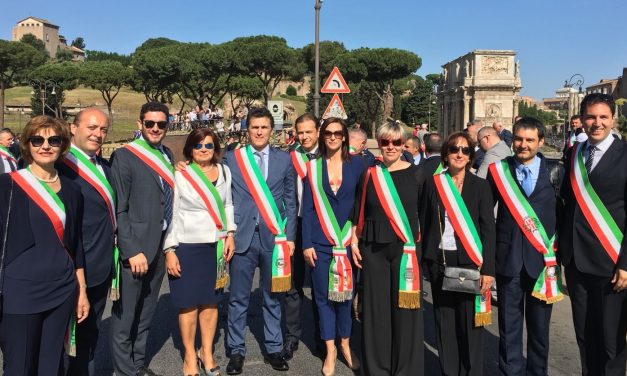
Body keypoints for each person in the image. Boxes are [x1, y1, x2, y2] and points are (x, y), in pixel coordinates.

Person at [0, 115, 89, 375]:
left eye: (54, 140)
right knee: (20, 367)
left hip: (62, 289)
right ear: (27, 145)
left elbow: (76, 243)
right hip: (19, 293)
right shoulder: (8, 185)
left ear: (63, 146)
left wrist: (81, 290)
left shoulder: (73, 190)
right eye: (38, 139)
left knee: (52, 366)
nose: (46, 145)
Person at [558, 93, 627, 376]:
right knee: (585, 338)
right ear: (582, 119)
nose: (596, 123)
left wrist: (625, 263)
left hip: (612, 262)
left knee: (611, 341)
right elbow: (566, 203)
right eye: (591, 117)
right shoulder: (575, 153)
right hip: (576, 261)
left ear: (612, 119)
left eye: (603, 117)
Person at [224, 107, 297, 374]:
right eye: (254, 127)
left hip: (274, 238)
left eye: (264, 127)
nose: (259, 132)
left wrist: (290, 239)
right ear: (247, 128)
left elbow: (290, 199)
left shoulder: (284, 160)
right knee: (238, 298)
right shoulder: (232, 158)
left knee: (273, 297)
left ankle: (274, 348)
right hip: (242, 237)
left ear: (271, 130)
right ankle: (236, 350)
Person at [486, 117, 559, 376]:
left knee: (540, 330)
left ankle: (538, 372)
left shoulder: (556, 171)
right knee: (509, 327)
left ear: (541, 141)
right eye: (518, 139)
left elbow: (564, 213)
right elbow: (485, 215)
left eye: (530, 140)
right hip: (508, 259)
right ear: (511, 139)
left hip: (542, 262)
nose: (523, 145)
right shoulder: (498, 171)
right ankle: (511, 372)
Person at [351, 121, 425, 375]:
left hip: (406, 253)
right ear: (378, 145)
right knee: (376, 313)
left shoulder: (419, 174)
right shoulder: (370, 174)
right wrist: (353, 240)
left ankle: (406, 369)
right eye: (385, 142)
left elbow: (426, 216)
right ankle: (377, 368)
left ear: (405, 144)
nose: (390, 147)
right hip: (374, 250)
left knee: (406, 312)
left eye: (396, 142)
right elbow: (358, 210)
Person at [421, 131, 496, 376]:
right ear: (446, 154)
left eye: (465, 150)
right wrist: (425, 260)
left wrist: (488, 270)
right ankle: (449, 371)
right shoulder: (434, 183)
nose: (459, 154)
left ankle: (471, 371)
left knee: (470, 324)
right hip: (441, 261)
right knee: (444, 323)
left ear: (471, 156)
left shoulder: (481, 186)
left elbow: (488, 231)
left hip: (471, 263)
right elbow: (425, 221)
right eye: (454, 149)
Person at [110, 102, 175, 376]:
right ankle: (124, 371)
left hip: (160, 244)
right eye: (150, 124)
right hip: (136, 248)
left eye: (161, 124)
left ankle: (137, 364)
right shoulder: (124, 156)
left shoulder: (168, 154)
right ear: (140, 124)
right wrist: (131, 250)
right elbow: (119, 209)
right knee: (125, 317)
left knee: (146, 312)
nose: (155, 128)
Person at [164, 128, 236, 376]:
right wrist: (170, 249)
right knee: (187, 305)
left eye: (208, 145)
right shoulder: (181, 174)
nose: (203, 150)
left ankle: (206, 352)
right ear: (190, 150)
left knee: (211, 303)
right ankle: (189, 356)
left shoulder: (225, 171)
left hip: (215, 246)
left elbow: (227, 204)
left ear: (215, 148)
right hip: (187, 246)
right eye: (198, 146)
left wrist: (230, 235)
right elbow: (171, 212)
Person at [301, 117, 365, 375]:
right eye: (328, 132)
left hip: (348, 244)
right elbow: (307, 208)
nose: (333, 137)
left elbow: (362, 205)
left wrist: (357, 235)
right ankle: (330, 351)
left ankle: (346, 345)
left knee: (346, 298)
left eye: (338, 133)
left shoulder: (359, 165)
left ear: (344, 137)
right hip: (320, 243)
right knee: (323, 299)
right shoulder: (313, 167)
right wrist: (306, 243)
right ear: (321, 135)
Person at [58, 108, 116, 376]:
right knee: (63, 341)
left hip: (101, 266)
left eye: (103, 129)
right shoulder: (58, 167)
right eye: (92, 127)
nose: (98, 134)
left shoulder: (104, 167)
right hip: (70, 268)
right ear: (73, 128)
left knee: (89, 336)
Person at [283, 113, 322, 360]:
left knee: (321, 285)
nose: (305, 137)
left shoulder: (331, 155)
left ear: (318, 131)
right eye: (301, 132)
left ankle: (323, 337)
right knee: (292, 285)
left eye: (309, 131)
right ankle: (291, 337)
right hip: (295, 224)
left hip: (322, 226)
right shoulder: (290, 158)